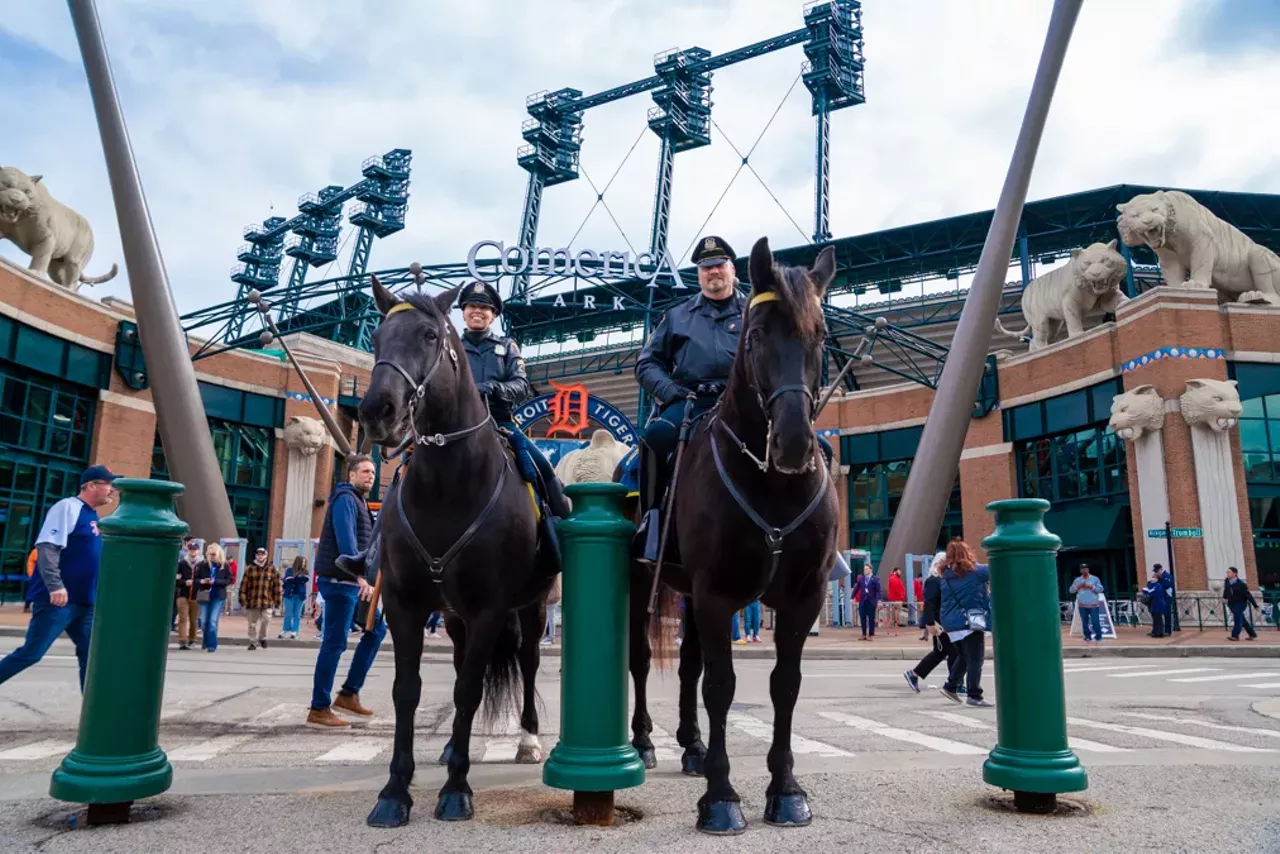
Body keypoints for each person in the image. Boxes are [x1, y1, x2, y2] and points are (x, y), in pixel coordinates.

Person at [336, 280, 569, 581]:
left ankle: (560, 540)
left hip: (499, 422)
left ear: (494, 315)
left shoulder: (506, 346)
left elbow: (522, 385)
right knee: (401, 474)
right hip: (446, 430)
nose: (478, 312)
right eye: (472, 307)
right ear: (463, 312)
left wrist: (491, 388)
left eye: (485, 308)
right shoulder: (446, 345)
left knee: (540, 467)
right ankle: (370, 553)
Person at [631, 235, 833, 559]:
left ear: (732, 269)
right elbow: (646, 363)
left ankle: (821, 538)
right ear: (699, 273)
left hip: (749, 401)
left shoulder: (758, 309)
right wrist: (671, 393)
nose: (713, 272)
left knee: (818, 447)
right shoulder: (677, 316)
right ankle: (653, 525)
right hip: (691, 402)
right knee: (655, 438)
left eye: (719, 265)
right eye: (706, 266)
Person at [0, 465, 117, 691]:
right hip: (58, 600)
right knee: (32, 653)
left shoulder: (93, 516)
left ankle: (93, 713)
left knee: (92, 654)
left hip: (85, 601)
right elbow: (47, 548)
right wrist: (55, 585)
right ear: (92, 486)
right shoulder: (67, 507)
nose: (112, 491)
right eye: (108, 485)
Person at [308, 455, 387, 730]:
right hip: (341, 583)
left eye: (374, 472)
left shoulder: (359, 501)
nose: (371, 476)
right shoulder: (344, 498)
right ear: (351, 474)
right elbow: (346, 542)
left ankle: (349, 694)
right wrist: (360, 577)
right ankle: (319, 708)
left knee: (376, 631)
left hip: (351, 583)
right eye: (365, 471)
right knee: (334, 643)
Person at [937, 539, 992, 707]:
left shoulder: (945, 576)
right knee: (976, 659)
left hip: (951, 623)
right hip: (969, 622)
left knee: (963, 655)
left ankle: (951, 686)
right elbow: (997, 568)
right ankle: (974, 695)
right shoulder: (976, 572)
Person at [904, 552, 962, 693]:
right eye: (945, 562)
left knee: (941, 652)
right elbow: (929, 603)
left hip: (944, 621)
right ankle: (956, 684)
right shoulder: (933, 580)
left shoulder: (943, 579)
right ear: (938, 563)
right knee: (952, 651)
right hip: (939, 623)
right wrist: (929, 623)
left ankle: (915, 674)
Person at [239, 547, 282, 650]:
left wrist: (277, 601)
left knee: (266, 620)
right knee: (252, 624)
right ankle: (253, 642)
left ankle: (262, 637)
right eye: (258, 554)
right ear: (255, 556)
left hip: (267, 601)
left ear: (266, 556)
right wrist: (243, 600)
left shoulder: (272, 569)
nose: (260, 556)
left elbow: (277, 586)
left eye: (262, 554)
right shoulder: (250, 568)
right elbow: (243, 585)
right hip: (252, 600)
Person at [194, 543, 233, 653]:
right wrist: (202, 581)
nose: (212, 556)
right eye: (210, 554)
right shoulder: (203, 565)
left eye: (214, 554)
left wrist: (215, 581)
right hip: (204, 594)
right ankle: (206, 641)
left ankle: (212, 645)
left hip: (218, 595)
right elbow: (196, 579)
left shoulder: (224, 565)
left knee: (212, 621)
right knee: (204, 621)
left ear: (218, 554)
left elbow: (229, 580)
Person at [175, 537, 202, 650]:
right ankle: (182, 640)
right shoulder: (182, 563)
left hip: (196, 594)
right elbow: (175, 579)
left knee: (194, 619)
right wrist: (183, 582)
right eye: (191, 549)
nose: (193, 551)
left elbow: (204, 579)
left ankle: (193, 639)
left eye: (195, 549)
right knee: (183, 617)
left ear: (198, 550)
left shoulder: (202, 564)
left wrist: (194, 582)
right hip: (182, 593)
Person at [1069, 563, 1105, 644]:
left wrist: (1091, 587)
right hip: (1082, 605)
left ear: (1088, 569)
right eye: (1082, 568)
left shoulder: (1095, 579)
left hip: (1093, 605)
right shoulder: (1077, 580)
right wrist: (1078, 586)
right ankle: (1087, 636)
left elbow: (1101, 589)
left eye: (1085, 568)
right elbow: (1071, 590)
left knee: (1095, 621)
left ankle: (1098, 637)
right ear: (1080, 570)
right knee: (1084, 622)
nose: (1084, 570)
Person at [1223, 566, 1259, 641]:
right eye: (1227, 572)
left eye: (1229, 572)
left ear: (1234, 573)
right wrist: (1225, 598)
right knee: (1242, 619)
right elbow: (1226, 590)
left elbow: (1248, 595)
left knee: (1237, 619)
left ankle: (1235, 636)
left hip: (1240, 603)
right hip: (1231, 603)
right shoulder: (1227, 581)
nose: (1227, 573)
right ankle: (1252, 634)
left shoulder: (1241, 584)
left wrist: (1255, 605)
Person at [279, 556, 309, 639]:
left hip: (300, 595)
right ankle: (285, 630)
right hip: (289, 594)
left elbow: (305, 579)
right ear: (297, 562)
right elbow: (288, 580)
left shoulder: (305, 572)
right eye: (302, 562)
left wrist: (295, 579)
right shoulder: (289, 570)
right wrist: (297, 579)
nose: (303, 564)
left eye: (304, 563)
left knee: (297, 614)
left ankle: (294, 631)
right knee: (288, 613)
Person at [852, 565, 882, 641]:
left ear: (871, 570)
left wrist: (879, 601)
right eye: (864, 569)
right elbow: (856, 588)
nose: (865, 570)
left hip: (871, 602)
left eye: (866, 569)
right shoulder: (861, 579)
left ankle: (871, 634)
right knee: (862, 618)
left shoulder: (875, 579)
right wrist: (852, 597)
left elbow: (879, 591)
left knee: (871, 619)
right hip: (863, 602)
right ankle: (863, 634)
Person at [1141, 570, 1170, 638]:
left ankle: (1159, 633)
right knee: (1155, 619)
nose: (1153, 579)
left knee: (1158, 619)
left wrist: (1146, 590)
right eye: (1152, 577)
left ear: (1157, 579)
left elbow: (1151, 592)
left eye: (1154, 578)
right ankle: (1155, 631)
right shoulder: (1151, 585)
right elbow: (1147, 590)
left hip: (1158, 605)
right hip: (1153, 605)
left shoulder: (1158, 585)